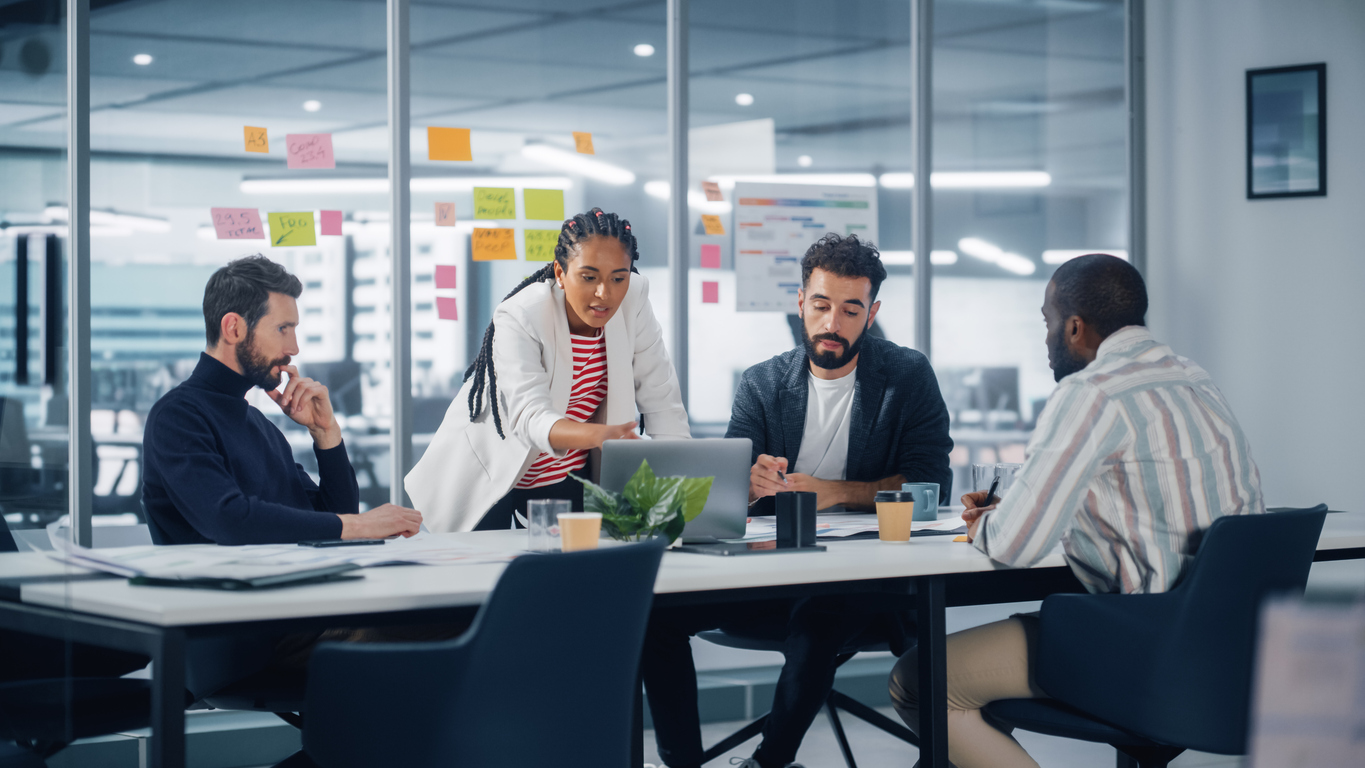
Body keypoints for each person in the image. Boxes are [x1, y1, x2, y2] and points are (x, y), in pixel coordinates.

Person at [888, 254, 1265, 768]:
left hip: (1144, 647)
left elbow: (1014, 545)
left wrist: (990, 522)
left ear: (1073, 326)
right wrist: (1025, 508)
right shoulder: (1196, 380)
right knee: (977, 700)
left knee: (919, 681)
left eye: (1046, 321)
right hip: (1233, 652)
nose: (1045, 338)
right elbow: (1145, 498)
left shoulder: (1091, 392)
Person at [643, 234, 953, 768]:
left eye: (851, 309)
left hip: (868, 583)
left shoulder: (906, 377)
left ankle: (769, 763)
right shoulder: (763, 384)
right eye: (821, 305)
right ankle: (682, 763)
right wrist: (749, 483)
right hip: (773, 574)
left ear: (871, 313)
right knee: (654, 616)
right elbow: (727, 491)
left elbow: (931, 483)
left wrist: (836, 494)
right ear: (801, 303)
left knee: (819, 620)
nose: (833, 323)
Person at [141, 254, 423, 696]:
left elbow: (333, 521)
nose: (293, 347)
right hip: (246, 638)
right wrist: (361, 525)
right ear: (233, 328)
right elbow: (229, 521)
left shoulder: (259, 425)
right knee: (454, 633)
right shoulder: (178, 417)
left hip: (302, 617)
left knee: (459, 624)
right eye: (283, 329)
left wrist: (326, 435)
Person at [406, 208, 689, 532]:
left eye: (618, 278)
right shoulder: (521, 315)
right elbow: (530, 417)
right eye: (589, 277)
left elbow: (663, 400)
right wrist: (601, 436)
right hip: (491, 474)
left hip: (567, 476)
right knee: (486, 575)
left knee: (577, 575)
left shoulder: (634, 299)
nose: (604, 293)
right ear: (560, 271)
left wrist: (683, 494)